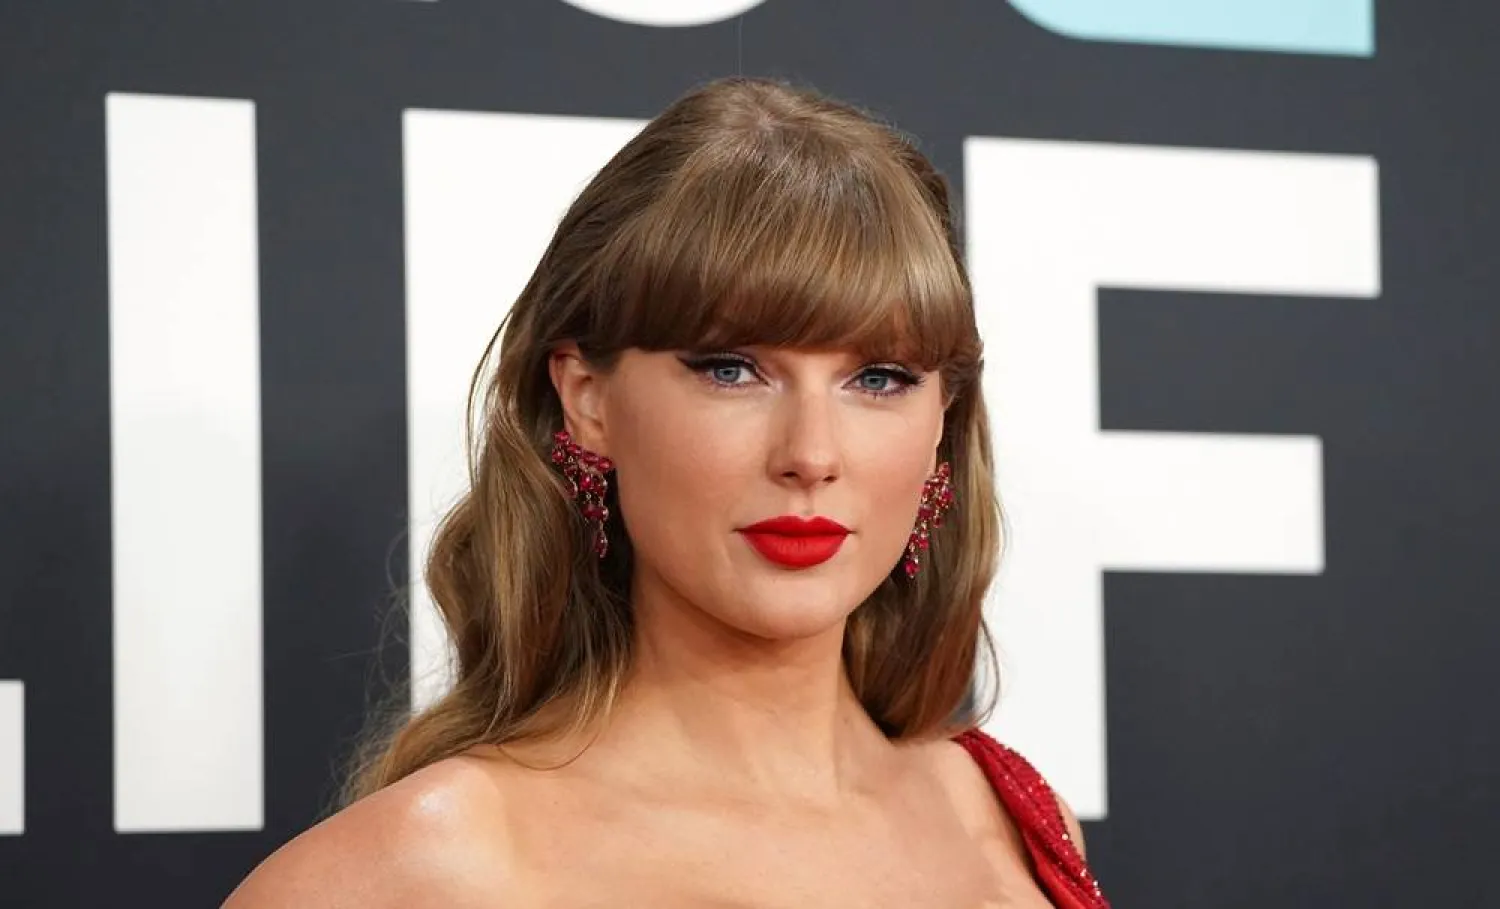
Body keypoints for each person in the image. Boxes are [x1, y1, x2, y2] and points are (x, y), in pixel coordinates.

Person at [224, 76, 1109, 908]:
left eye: (877, 378)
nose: (810, 454)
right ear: (587, 398)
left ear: (942, 422)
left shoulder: (1011, 818)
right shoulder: (420, 873)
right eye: (732, 369)